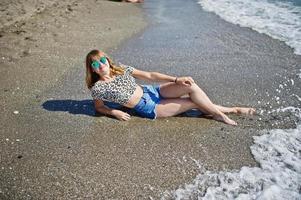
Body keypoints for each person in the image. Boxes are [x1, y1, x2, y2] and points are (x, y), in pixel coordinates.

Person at [85, 50, 255, 125]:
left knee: (190, 86)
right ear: (92, 68)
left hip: (153, 91)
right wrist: (114, 112)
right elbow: (99, 107)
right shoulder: (98, 87)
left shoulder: (121, 69)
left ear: (107, 60)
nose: (100, 65)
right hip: (149, 107)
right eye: (95, 63)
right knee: (193, 102)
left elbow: (150, 76)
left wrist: (176, 79)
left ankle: (223, 112)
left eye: (102, 60)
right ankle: (227, 112)